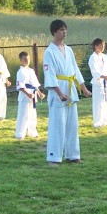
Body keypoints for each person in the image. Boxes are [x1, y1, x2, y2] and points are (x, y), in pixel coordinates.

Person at [42, 19, 91, 165]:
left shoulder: (68, 50)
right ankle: (54, 157)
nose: (64, 32)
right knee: (57, 125)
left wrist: (84, 88)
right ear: (54, 32)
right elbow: (50, 74)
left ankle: (73, 155)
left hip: (70, 89)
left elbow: (75, 70)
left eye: (65, 29)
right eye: (61, 30)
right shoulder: (49, 52)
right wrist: (59, 93)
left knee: (72, 125)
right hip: (58, 89)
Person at [15, 51, 45, 139]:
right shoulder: (20, 71)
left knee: (32, 115)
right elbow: (20, 86)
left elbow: (35, 84)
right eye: (25, 59)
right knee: (23, 115)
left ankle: (33, 132)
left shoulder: (31, 71)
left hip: (33, 94)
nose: (27, 60)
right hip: (25, 95)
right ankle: (20, 134)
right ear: (20, 60)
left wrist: (39, 93)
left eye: (28, 59)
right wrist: (27, 94)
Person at [88, 38, 107, 127]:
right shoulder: (93, 57)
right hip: (98, 83)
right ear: (95, 46)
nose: (102, 47)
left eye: (103, 45)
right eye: (100, 45)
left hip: (106, 82)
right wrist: (103, 76)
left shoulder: (104, 56)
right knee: (98, 103)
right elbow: (94, 71)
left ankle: (106, 119)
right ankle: (97, 122)